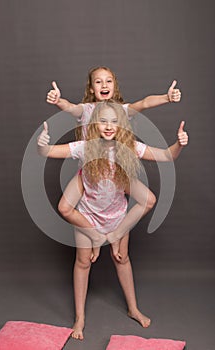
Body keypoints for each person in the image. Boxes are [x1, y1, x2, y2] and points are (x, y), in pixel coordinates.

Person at [37, 100, 188, 340]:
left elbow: (167, 156)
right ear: (95, 124)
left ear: (122, 124)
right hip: (88, 215)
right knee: (83, 262)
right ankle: (80, 318)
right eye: (103, 121)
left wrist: (178, 144)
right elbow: (50, 152)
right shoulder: (86, 147)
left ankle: (133, 308)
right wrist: (42, 144)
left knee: (122, 258)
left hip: (116, 216)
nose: (108, 126)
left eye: (114, 121)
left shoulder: (129, 146)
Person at [45, 66, 182, 261]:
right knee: (67, 207)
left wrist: (165, 98)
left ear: (114, 85)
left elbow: (143, 103)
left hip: (116, 172)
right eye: (98, 81)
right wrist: (58, 101)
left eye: (108, 81)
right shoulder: (86, 110)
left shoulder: (122, 110)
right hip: (92, 172)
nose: (104, 85)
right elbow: (70, 107)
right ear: (91, 88)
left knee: (146, 201)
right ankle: (95, 237)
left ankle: (113, 235)